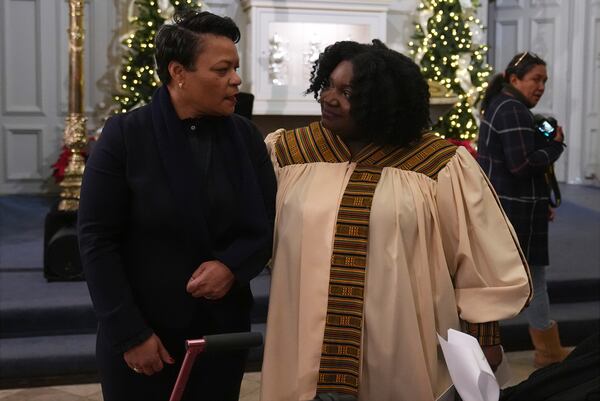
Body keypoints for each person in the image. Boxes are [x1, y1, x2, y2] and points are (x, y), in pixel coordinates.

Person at [260, 40, 532, 401]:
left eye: (347, 92)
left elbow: (476, 255)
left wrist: (485, 336)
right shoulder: (288, 152)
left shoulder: (438, 163)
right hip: (303, 332)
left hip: (399, 336)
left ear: (383, 100)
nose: (328, 97)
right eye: (327, 84)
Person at [78, 10, 276, 401]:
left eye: (235, 68)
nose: (235, 79)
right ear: (178, 73)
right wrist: (130, 333)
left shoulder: (245, 137)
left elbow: (269, 220)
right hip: (146, 336)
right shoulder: (125, 136)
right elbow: (96, 239)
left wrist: (233, 267)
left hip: (221, 335)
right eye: (221, 70)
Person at [477, 52, 569, 368]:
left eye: (544, 80)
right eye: (535, 79)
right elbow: (522, 165)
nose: (541, 86)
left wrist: (540, 202)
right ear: (514, 79)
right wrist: (555, 145)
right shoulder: (512, 109)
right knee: (533, 282)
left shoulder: (502, 105)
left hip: (510, 206)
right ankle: (548, 354)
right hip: (513, 211)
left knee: (510, 282)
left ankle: (541, 352)